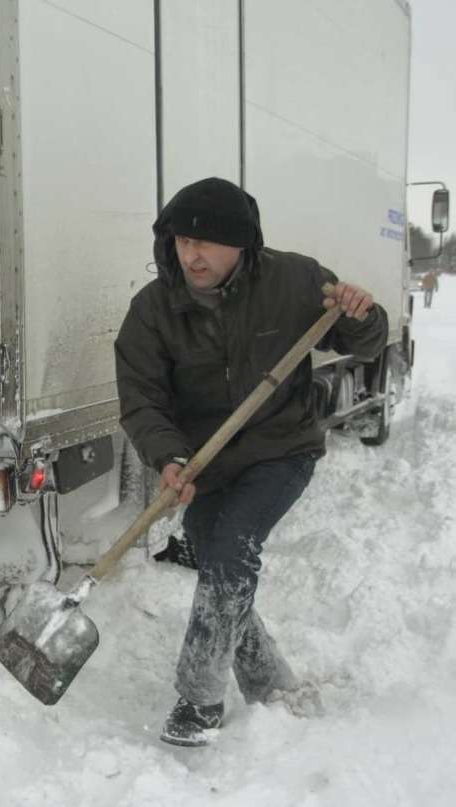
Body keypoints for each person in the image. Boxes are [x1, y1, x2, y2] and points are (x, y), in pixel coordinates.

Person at [114, 177, 388, 747]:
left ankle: (199, 700)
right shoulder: (154, 309)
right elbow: (142, 399)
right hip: (204, 462)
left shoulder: (295, 280)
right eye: (182, 241)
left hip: (279, 449)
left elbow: (364, 343)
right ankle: (270, 683)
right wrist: (168, 457)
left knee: (232, 550)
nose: (192, 255)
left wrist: (362, 314)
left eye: (207, 243)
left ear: (242, 244)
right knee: (218, 563)